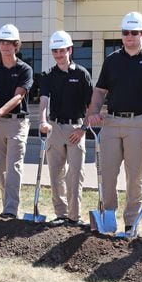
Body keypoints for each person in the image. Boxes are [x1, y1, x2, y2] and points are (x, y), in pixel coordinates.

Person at [85, 12, 142, 231]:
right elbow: (99, 91)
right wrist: (93, 111)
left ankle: (131, 224)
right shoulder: (112, 60)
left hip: (140, 124)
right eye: (125, 33)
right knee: (106, 173)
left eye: (134, 32)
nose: (129, 37)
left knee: (135, 177)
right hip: (111, 123)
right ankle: (108, 218)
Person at [38, 30, 92, 226]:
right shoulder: (48, 76)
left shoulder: (81, 74)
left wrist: (83, 129)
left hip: (76, 128)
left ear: (70, 50)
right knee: (55, 173)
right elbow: (44, 101)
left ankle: (74, 217)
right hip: (55, 127)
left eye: (62, 50)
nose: (59, 55)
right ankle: (61, 214)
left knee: (75, 174)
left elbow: (91, 106)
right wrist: (42, 121)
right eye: (55, 51)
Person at [0, 24, 33, 218]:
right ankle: (7, 206)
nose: (5, 46)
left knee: (13, 166)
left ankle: (11, 210)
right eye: (2, 42)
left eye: (9, 43)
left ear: (16, 45)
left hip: (17, 123)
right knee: (1, 168)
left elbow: (18, 97)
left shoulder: (25, 69)